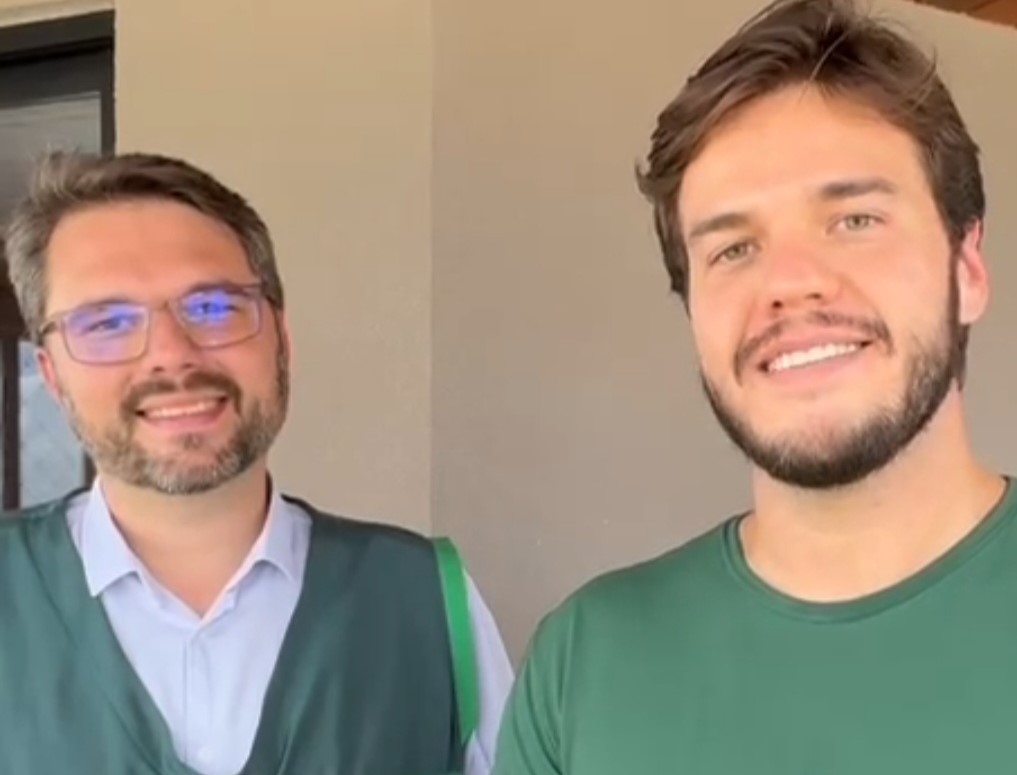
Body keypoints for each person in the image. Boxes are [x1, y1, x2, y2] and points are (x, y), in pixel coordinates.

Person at [493, 1, 1016, 772]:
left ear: (966, 269)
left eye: (854, 220)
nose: (790, 283)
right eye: (733, 248)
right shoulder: (584, 661)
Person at [0, 150, 512, 775]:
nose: (171, 354)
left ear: (281, 340)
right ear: (52, 374)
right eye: (107, 323)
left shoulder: (427, 599)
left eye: (212, 307)